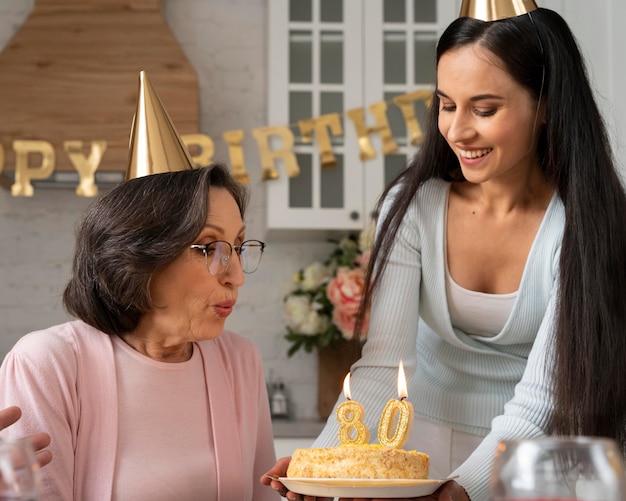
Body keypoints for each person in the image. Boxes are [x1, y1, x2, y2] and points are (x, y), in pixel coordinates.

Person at [263, 1, 626, 500]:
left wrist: (466, 489)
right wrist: (320, 465)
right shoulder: (413, 207)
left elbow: (542, 399)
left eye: (485, 109)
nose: (457, 131)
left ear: (544, 104)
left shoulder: (584, 225)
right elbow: (383, 365)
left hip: (535, 456)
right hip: (420, 439)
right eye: (447, 105)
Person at [0, 72, 278, 500]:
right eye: (208, 247)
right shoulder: (47, 365)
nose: (236, 275)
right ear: (140, 256)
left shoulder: (240, 361)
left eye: (239, 247)